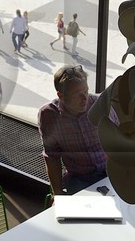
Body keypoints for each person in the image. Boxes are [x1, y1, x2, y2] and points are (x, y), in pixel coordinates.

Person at [39, 64, 109, 194]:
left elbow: (119, 139)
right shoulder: (50, 115)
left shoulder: (99, 105)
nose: (85, 98)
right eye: (77, 95)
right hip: (78, 178)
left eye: (86, 91)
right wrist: (57, 193)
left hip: (109, 171)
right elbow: (52, 157)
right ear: (61, 95)